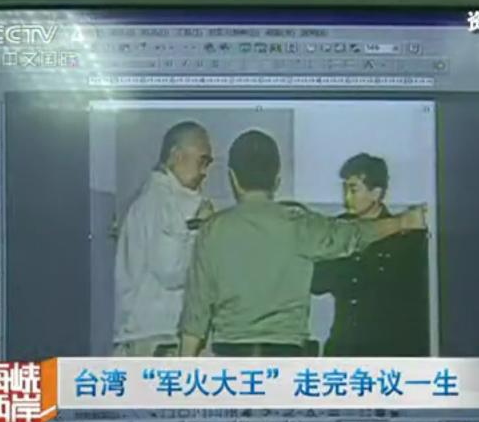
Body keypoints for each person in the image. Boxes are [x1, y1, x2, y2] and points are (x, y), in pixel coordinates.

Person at [178, 130, 427, 357]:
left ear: (233, 177)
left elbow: (195, 317)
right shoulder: (298, 223)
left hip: (230, 358)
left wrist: (181, 375)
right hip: (286, 357)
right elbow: (353, 235)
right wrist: (403, 222)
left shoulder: (211, 230)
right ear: (277, 179)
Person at [311, 153, 429, 356]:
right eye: (345, 189)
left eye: (353, 189)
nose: (347, 197)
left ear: (376, 193)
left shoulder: (404, 238)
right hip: (344, 345)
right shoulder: (338, 230)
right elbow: (317, 282)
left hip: (388, 347)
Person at [113, 121, 214, 357]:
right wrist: (201, 229)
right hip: (155, 339)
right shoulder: (158, 201)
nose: (204, 172)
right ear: (177, 156)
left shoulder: (168, 199)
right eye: (202, 161)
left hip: (157, 337)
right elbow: (171, 271)